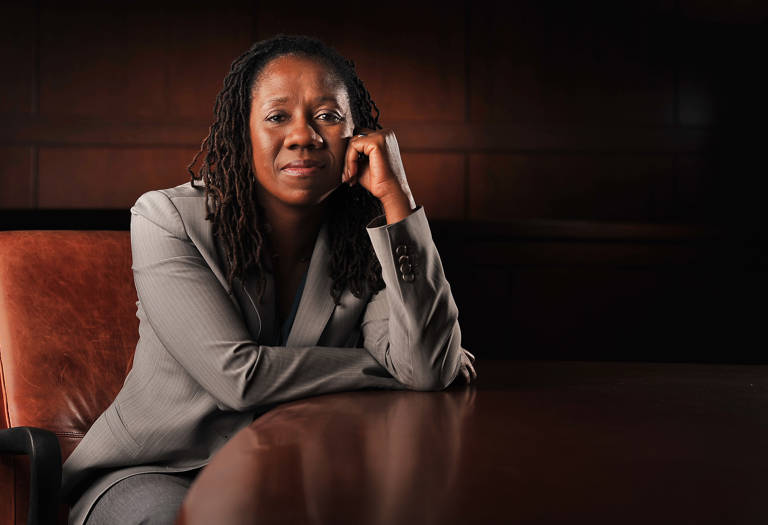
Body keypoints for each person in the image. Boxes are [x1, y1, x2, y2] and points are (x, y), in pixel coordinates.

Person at [61, 33, 476, 525]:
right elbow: (238, 379)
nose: (304, 135)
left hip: (292, 473)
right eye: (278, 117)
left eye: (328, 115)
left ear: (356, 136)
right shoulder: (167, 219)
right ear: (245, 133)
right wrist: (382, 370)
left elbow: (426, 370)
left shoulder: (368, 240)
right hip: (158, 471)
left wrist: (396, 198)